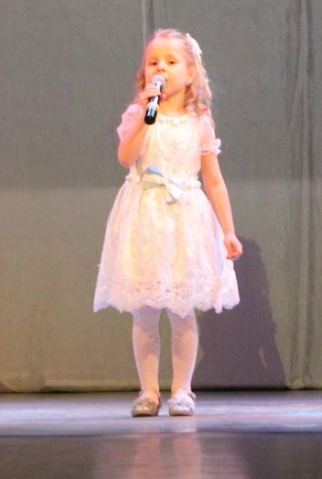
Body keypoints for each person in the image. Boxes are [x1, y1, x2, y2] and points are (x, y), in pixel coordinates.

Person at [94, 29, 243, 418]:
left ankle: (181, 390)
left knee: (181, 309)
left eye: (171, 62)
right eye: (153, 62)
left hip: (184, 222)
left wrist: (228, 230)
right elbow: (126, 156)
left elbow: (214, 180)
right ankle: (148, 391)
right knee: (145, 310)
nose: (161, 67)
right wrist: (147, 113)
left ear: (191, 73)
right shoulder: (139, 114)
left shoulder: (199, 121)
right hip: (145, 218)